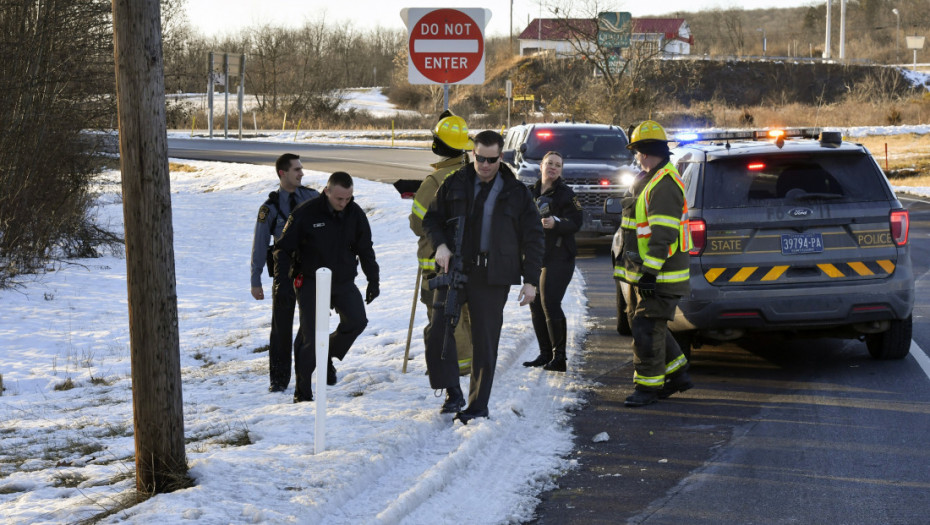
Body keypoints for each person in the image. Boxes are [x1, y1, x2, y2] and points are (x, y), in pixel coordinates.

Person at [422, 129, 544, 424]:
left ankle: (478, 406)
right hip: (454, 268)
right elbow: (431, 218)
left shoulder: (517, 192)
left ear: (501, 157)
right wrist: (439, 245)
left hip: (493, 275)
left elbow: (534, 237)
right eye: (480, 159)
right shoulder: (455, 182)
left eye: (491, 160)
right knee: (438, 330)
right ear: (472, 154)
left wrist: (530, 280)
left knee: (485, 341)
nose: (485, 165)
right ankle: (453, 391)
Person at [276, 171, 379, 403]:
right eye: (339, 199)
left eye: (348, 198)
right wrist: (281, 283)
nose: (344, 203)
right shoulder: (306, 213)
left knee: (357, 321)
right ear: (327, 190)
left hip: (342, 280)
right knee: (311, 337)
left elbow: (365, 248)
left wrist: (373, 279)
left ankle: (325, 354)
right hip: (311, 280)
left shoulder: (355, 213)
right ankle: (302, 392)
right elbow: (282, 249)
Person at [615, 120, 694, 407]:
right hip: (647, 273)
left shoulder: (664, 184)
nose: (636, 157)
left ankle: (647, 388)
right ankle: (679, 374)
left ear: (646, 152)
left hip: (660, 275)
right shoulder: (649, 179)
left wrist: (649, 273)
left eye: (637, 151)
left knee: (646, 328)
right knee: (650, 325)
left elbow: (662, 235)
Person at [409, 111, 474, 377]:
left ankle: (453, 368)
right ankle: (470, 362)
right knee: (467, 316)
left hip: (436, 266)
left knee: (443, 319)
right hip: (470, 262)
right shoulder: (474, 176)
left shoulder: (435, 181)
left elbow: (418, 224)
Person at [250, 153, 319, 393]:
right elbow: (259, 246)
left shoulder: (313, 198)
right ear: (283, 173)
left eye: (301, 168)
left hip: (310, 268)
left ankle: (310, 369)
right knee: (281, 325)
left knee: (312, 322)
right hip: (284, 269)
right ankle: (278, 380)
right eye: (296, 169)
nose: (302, 173)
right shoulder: (269, 208)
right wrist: (255, 280)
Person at [522, 151, 583, 372]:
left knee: (550, 302)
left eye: (558, 165)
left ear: (561, 170)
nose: (553, 168)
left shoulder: (567, 195)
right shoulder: (529, 193)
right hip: (537, 257)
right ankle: (545, 354)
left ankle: (560, 358)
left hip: (560, 257)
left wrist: (556, 222)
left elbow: (577, 221)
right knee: (535, 305)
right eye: (550, 164)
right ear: (541, 166)